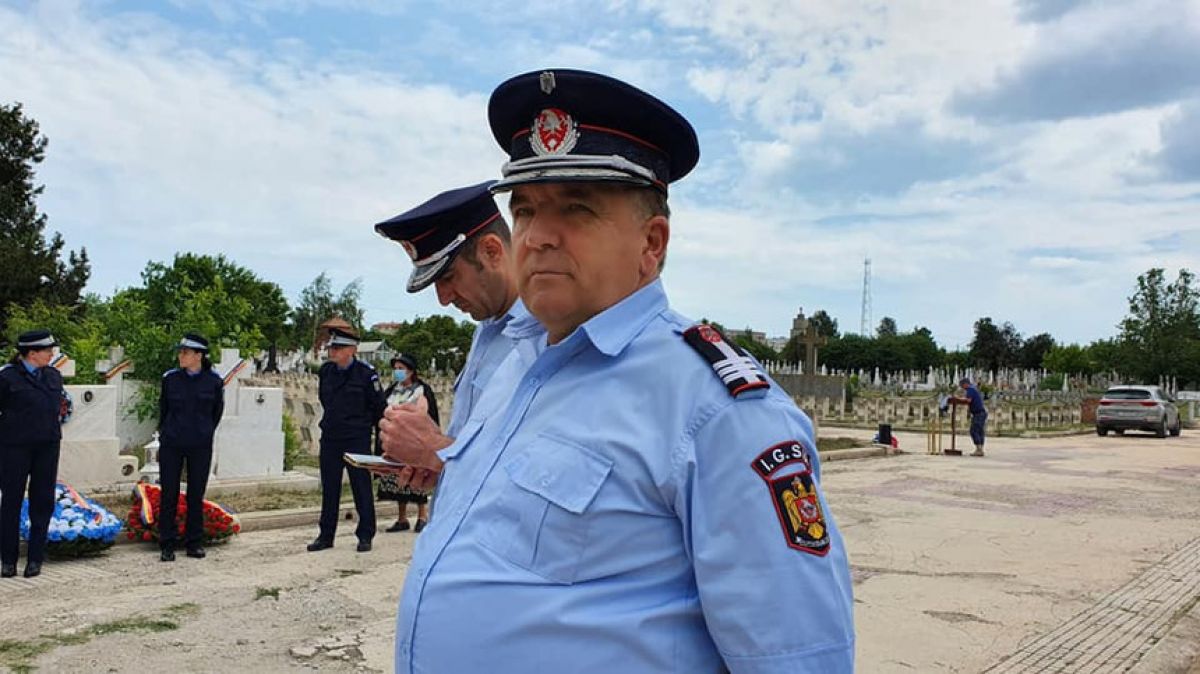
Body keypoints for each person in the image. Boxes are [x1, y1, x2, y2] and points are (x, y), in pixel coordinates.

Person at [390, 69, 855, 673]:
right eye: (524, 209)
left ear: (651, 244)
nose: (538, 236)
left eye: (576, 209)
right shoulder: (518, 368)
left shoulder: (715, 409)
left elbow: (798, 658)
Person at [373, 181, 526, 495]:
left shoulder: (551, 336)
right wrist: (437, 466)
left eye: (448, 277)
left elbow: (543, 477)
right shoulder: (486, 328)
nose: (443, 299)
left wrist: (437, 450)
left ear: (492, 251)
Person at [308, 327, 386, 553]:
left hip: (356, 437)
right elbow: (325, 399)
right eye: (332, 347)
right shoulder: (327, 371)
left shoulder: (366, 374)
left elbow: (378, 407)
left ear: (352, 350)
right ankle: (326, 535)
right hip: (332, 436)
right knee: (330, 488)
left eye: (338, 348)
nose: (333, 351)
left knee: (361, 487)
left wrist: (377, 441)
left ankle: (365, 534)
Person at [0, 330, 69, 579]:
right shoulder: (7, 377)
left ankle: (35, 558)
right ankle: (8, 560)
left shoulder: (53, 375)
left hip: (46, 447)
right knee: (11, 502)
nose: (51, 354)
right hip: (14, 447)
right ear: (31, 353)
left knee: (42, 502)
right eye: (47, 350)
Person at [157, 333, 225, 562]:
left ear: (199, 356)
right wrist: (166, 433)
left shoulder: (213, 382)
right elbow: (164, 409)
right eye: (181, 352)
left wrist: (204, 432)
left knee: (196, 493)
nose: (181, 356)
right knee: (169, 493)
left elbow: (216, 412)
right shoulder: (171, 379)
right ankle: (167, 542)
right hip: (172, 443)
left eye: (185, 352)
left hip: (200, 444)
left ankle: (194, 542)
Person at [375, 354, 438, 532]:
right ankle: (402, 518)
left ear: (411, 371)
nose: (397, 372)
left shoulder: (421, 390)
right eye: (395, 369)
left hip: (414, 440)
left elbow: (428, 416)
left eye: (401, 369)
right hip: (394, 441)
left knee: (416, 476)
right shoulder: (392, 390)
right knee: (398, 478)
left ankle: (422, 516)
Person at [952, 377, 988, 456]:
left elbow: (968, 400)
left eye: (962, 385)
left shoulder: (970, 390)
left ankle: (979, 448)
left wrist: (958, 399)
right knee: (979, 431)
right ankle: (980, 449)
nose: (962, 387)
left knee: (974, 430)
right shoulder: (973, 389)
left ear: (965, 384)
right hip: (980, 413)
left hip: (978, 413)